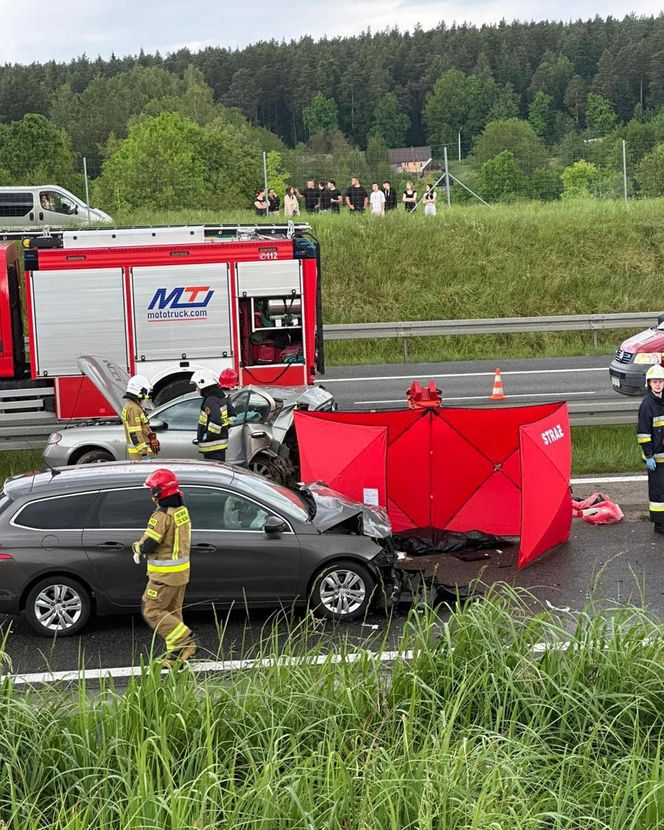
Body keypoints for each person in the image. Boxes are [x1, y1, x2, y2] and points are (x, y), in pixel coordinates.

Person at [132, 468, 196, 666]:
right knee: (172, 614)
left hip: (164, 575)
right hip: (181, 573)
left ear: (159, 493)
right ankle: (176, 658)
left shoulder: (161, 516)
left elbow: (150, 544)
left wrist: (137, 547)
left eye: (152, 490)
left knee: (152, 610)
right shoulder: (181, 511)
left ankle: (186, 641)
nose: (151, 494)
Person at [637, 364, 664, 534]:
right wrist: (649, 456)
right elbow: (643, 434)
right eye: (655, 382)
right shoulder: (647, 405)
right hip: (655, 458)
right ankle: (659, 525)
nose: (658, 385)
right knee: (658, 494)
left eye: (661, 381)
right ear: (649, 383)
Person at [191, 368, 236, 461]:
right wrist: (225, 428)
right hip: (219, 445)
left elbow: (216, 421)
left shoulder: (210, 400)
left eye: (197, 386)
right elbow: (232, 415)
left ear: (203, 384)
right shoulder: (220, 397)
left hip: (212, 446)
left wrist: (208, 436)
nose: (196, 389)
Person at [121, 374, 159, 460]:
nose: (147, 394)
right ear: (139, 390)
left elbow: (141, 427)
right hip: (139, 455)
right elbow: (135, 433)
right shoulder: (133, 408)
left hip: (140, 453)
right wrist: (144, 453)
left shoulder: (134, 406)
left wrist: (150, 435)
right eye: (146, 391)